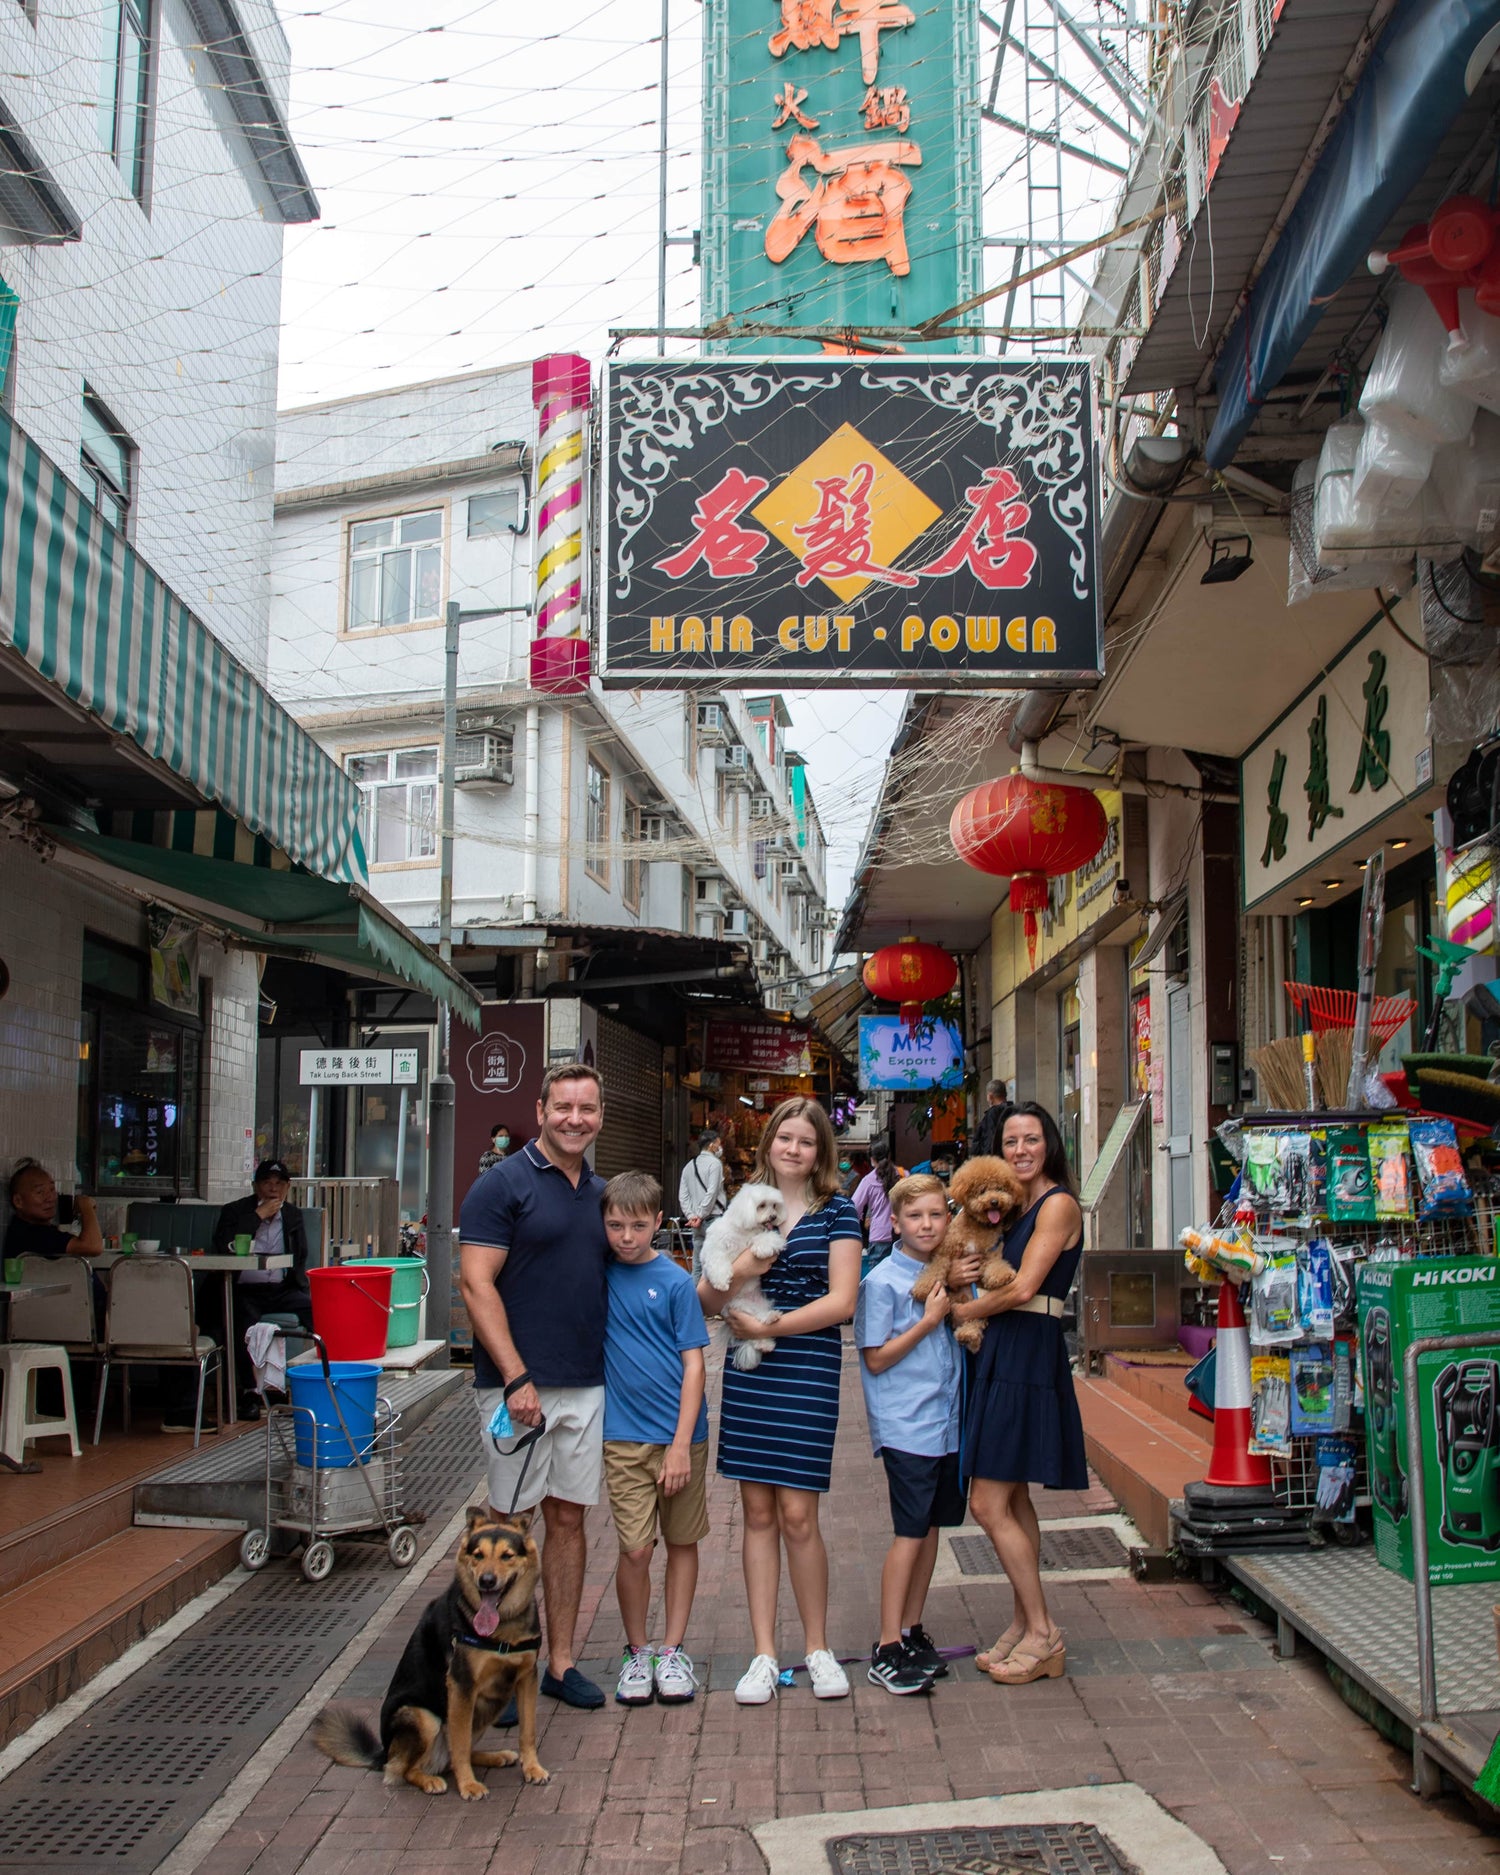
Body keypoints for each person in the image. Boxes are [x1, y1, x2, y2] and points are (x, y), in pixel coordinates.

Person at [699, 1096, 862, 1706]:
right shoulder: (740, 1213)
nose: (794, 1149)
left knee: (799, 1516)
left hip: (806, 1366)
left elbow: (842, 1302)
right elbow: (708, 1302)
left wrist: (770, 1328)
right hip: (749, 1373)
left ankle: (817, 1648)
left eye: (807, 1141)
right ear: (768, 1143)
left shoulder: (838, 1212)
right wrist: (740, 1266)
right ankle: (764, 1654)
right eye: (785, 1138)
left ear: (822, 1151)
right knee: (759, 1516)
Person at [458, 1063, 610, 1712]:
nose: (575, 1118)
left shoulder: (602, 1193)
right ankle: (494, 1663)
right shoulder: (503, 1183)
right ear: (541, 1107)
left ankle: (560, 1661)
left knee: (569, 1521)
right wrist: (517, 1375)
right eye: (564, 1106)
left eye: (588, 1108)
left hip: (585, 1383)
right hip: (513, 1389)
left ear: (599, 1114)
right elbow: (474, 1283)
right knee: (505, 1525)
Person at [952, 1100, 1086, 1687]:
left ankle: (1043, 1633)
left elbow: (1025, 1286)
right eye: (1011, 1142)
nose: (1021, 1150)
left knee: (986, 1502)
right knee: (1013, 1500)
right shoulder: (1015, 1207)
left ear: (1050, 1143)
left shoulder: (1057, 1205)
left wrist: (961, 1310)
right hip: (1007, 1348)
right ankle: (1021, 1622)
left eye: (1032, 1139)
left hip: (1027, 1348)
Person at [600, 1170, 709, 1708]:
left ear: (658, 1224)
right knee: (636, 1548)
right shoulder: (597, 1276)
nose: (626, 1236)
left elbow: (695, 1365)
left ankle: (672, 1650)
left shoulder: (675, 1282)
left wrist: (681, 1443)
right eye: (616, 1225)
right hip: (622, 1437)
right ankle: (636, 1651)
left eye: (638, 1225)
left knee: (682, 1542)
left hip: (681, 1437)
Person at [855, 1173, 965, 1695]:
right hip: (908, 1426)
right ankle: (886, 1645)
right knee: (908, 1532)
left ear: (948, 1218)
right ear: (893, 1222)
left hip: (947, 1424)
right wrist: (927, 1321)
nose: (926, 1225)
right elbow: (875, 1360)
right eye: (914, 1217)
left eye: (935, 1215)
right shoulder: (882, 1283)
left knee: (932, 1528)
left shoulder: (949, 1273)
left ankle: (912, 1628)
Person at [211, 1160, 314, 1418]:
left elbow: (300, 1255)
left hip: (281, 1288)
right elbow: (223, 1246)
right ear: (256, 1185)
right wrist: (258, 1216)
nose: (273, 1189)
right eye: (267, 1182)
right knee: (243, 1323)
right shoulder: (235, 1211)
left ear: (288, 1187)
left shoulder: (292, 1215)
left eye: (279, 1184)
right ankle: (248, 1391)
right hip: (244, 1288)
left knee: (318, 1311)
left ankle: (318, 1382)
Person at [5, 1162, 104, 1260]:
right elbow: (93, 1246)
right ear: (18, 1201)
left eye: (52, 1189)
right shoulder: (30, 1235)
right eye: (40, 1192)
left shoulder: (40, 1230)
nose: (50, 1198)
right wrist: (85, 1205)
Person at [677, 1131, 726, 1276]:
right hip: (713, 1219)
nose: (720, 1147)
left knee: (697, 1265)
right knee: (713, 1264)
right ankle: (709, 1298)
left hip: (696, 1224)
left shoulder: (688, 1166)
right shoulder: (715, 1164)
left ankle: (695, 1298)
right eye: (718, 1144)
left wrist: (692, 1216)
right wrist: (700, 1214)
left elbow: (683, 1196)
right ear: (711, 1145)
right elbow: (712, 1192)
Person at [850, 1140, 901, 1268]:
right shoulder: (902, 1175)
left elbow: (854, 1207)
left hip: (879, 1236)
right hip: (902, 1235)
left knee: (878, 1279)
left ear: (872, 1159)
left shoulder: (868, 1180)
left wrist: (862, 1218)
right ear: (889, 1156)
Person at [973, 1081, 1012, 1159]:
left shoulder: (992, 1114)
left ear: (990, 1096)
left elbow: (990, 1140)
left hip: (994, 1161)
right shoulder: (1013, 1110)